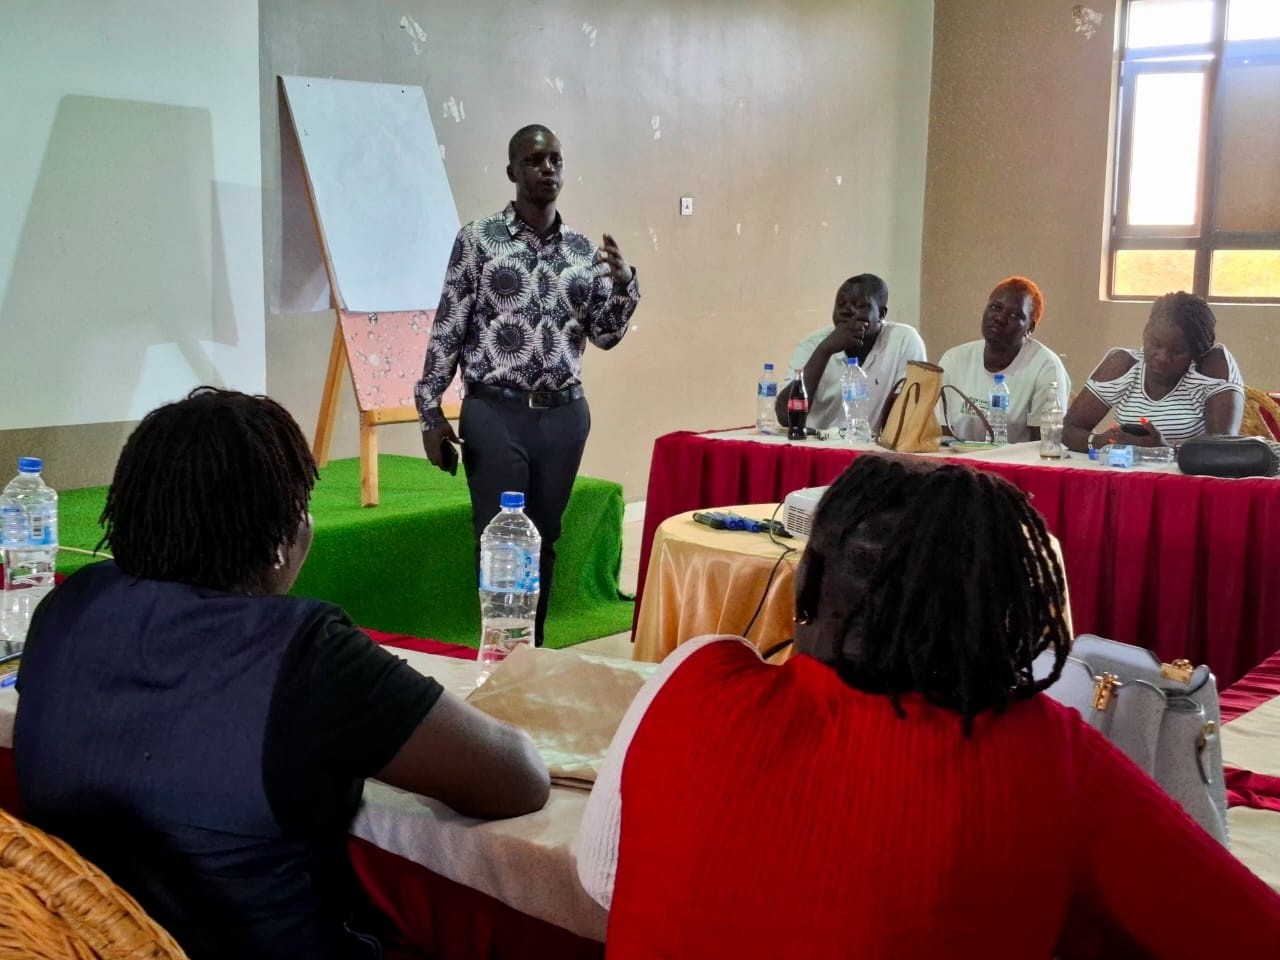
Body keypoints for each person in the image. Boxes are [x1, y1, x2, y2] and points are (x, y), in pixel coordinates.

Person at [576, 455, 1280, 958]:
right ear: (1008, 613)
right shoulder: (1049, 756)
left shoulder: (693, 677)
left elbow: (601, 879)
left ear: (806, 581)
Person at [14, 388, 550, 960]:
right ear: (283, 532)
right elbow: (517, 780)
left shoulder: (67, 607)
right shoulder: (305, 652)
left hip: (82, 943)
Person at [415, 123, 639, 646]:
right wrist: (430, 412)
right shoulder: (478, 241)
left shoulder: (582, 251)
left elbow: (605, 335)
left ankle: (531, 654)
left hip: (564, 416)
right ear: (512, 171)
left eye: (555, 159)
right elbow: (449, 326)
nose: (547, 169)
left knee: (545, 539)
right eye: (535, 160)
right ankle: (500, 654)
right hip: (497, 414)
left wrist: (625, 285)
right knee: (501, 541)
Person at [1063, 291, 1244, 452]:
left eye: (1177, 351)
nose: (1162, 357)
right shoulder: (1123, 365)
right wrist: (1099, 442)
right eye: (1155, 344)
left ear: (1196, 351)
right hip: (1127, 474)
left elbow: (1222, 449)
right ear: (1145, 333)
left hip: (1188, 478)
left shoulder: (1212, 368)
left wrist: (1167, 450)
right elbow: (1067, 430)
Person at [774, 274, 926, 432]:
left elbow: (911, 413)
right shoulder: (812, 344)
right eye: (841, 304)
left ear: (881, 314)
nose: (846, 311)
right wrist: (824, 351)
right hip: (815, 443)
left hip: (869, 445)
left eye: (859, 305)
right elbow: (785, 417)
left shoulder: (903, 341)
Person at [938, 276, 1070, 442]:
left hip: (1018, 459)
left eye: (1014, 315)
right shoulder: (953, 360)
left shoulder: (1046, 368)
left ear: (1030, 327)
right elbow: (941, 435)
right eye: (995, 307)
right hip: (956, 457)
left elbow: (1044, 444)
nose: (1000, 318)